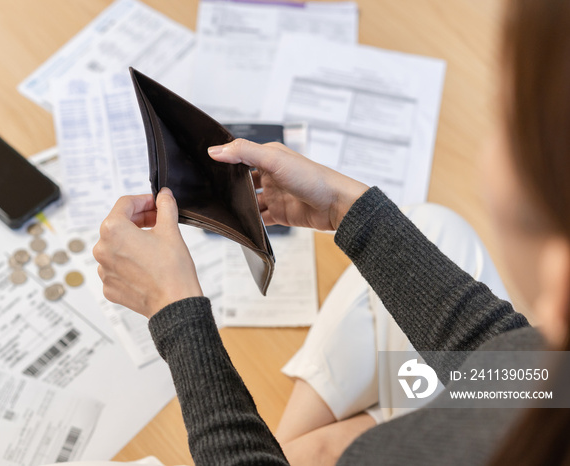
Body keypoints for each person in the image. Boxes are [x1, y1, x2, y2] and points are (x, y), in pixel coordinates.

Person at [93, 0, 570, 463]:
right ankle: (332, 437)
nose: (489, 156)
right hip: (460, 419)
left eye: (506, 122)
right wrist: (342, 206)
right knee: (437, 227)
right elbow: (509, 365)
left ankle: (295, 449)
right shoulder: (551, 378)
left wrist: (176, 314)